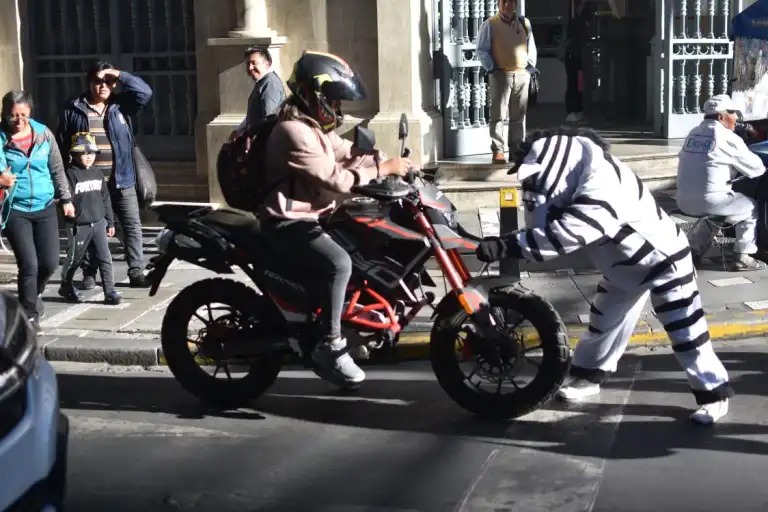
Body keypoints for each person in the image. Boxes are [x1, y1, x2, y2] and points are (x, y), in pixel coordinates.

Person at [475, 126, 734, 424]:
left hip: (662, 262)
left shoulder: (603, 182)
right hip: (624, 266)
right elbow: (548, 220)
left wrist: (510, 246)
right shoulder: (582, 172)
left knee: (685, 330)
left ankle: (715, 392)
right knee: (603, 323)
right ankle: (588, 376)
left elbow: (572, 232)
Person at [259, 51, 412, 389]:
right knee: (339, 263)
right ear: (314, 96)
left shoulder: (313, 128)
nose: (338, 107)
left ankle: (346, 319)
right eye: (333, 99)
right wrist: (380, 171)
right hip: (289, 223)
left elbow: (345, 150)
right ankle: (331, 344)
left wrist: (386, 160)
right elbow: (335, 179)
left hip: (316, 216)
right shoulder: (293, 131)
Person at [57, 60, 153, 289]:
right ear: (89, 82)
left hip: (121, 178)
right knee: (90, 225)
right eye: (98, 81)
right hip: (88, 180)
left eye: (108, 82)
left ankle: (136, 270)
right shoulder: (74, 109)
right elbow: (62, 145)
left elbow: (145, 92)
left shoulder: (121, 105)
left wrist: (118, 74)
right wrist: (65, 184)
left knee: (131, 224)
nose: (103, 86)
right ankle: (89, 271)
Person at [0, 91, 75, 330]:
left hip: (44, 206)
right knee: (29, 264)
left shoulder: (43, 134)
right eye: (13, 116)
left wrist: (66, 199)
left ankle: (36, 292)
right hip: (15, 208)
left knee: (50, 262)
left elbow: (57, 168)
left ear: (30, 112)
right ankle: (29, 313)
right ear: (4, 114)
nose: (19, 120)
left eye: (23, 115)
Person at [676, 94, 767, 271]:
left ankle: (692, 252)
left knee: (718, 213)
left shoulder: (693, 133)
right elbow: (756, 168)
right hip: (710, 201)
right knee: (750, 208)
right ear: (721, 116)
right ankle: (743, 256)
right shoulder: (727, 138)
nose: (735, 118)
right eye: (732, 113)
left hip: (683, 199)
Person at [59, 132, 121, 306]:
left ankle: (110, 291)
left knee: (105, 257)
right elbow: (65, 199)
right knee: (74, 259)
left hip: (99, 222)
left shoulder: (98, 173)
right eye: (84, 153)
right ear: (75, 155)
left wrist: (110, 221)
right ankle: (66, 284)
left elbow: (105, 198)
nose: (88, 157)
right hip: (79, 225)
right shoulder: (71, 174)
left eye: (91, 153)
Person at [477, 0, 538, 163]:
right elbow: (482, 50)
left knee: (518, 117)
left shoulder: (524, 23)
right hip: (501, 75)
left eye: (509, 1)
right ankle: (498, 150)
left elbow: (531, 46)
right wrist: (493, 68)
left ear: (515, 4)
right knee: (498, 115)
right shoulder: (490, 24)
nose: (506, 5)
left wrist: (528, 68)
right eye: (502, 1)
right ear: (498, 3)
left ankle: (516, 150)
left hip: (521, 75)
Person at [230, 46, 286, 140]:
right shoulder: (262, 83)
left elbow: (270, 119)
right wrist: (239, 130)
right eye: (248, 64)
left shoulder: (270, 84)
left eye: (254, 63)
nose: (250, 68)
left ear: (267, 64)